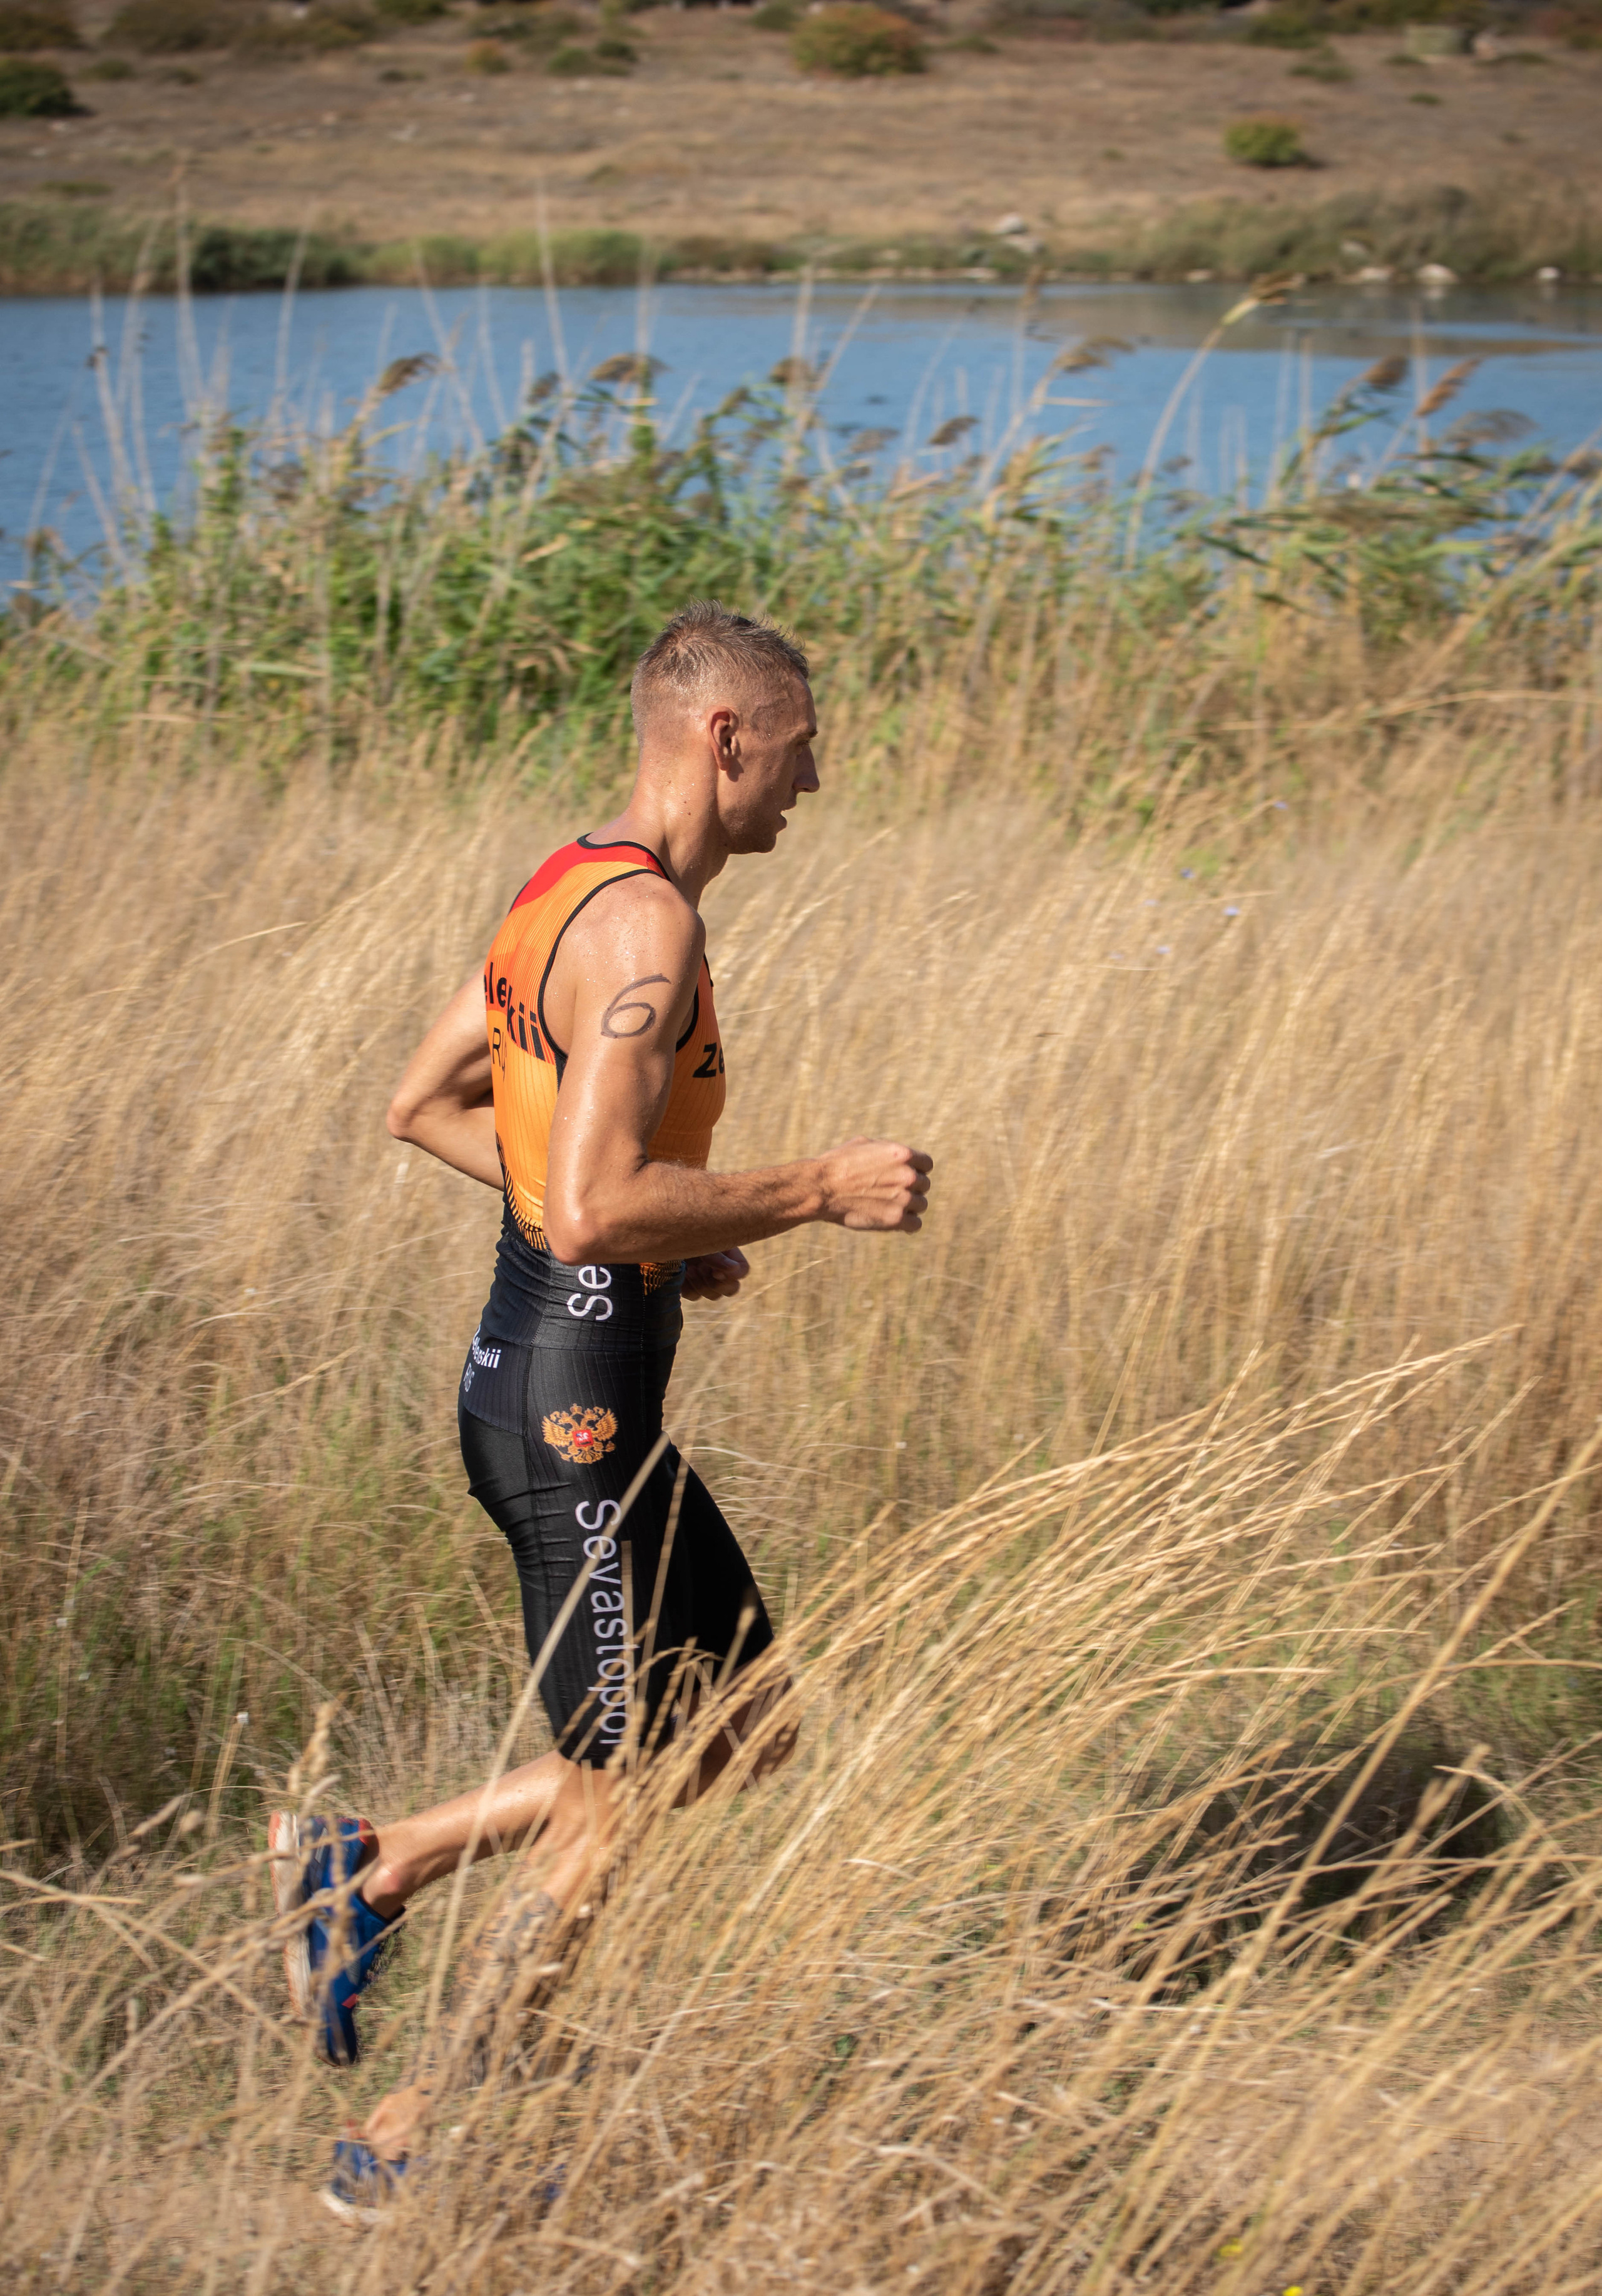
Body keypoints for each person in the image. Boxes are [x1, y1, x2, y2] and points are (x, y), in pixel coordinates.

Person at [267, 600, 934, 2223]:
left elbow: (425, 1106)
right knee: (619, 1796)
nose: (813, 781)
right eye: (802, 747)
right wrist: (805, 1193)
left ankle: (382, 1860)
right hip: (572, 1433)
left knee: (752, 1732)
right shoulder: (644, 937)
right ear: (726, 740)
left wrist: (667, 1224)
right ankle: (419, 2130)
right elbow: (578, 1210)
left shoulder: (559, 890)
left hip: (579, 1411)